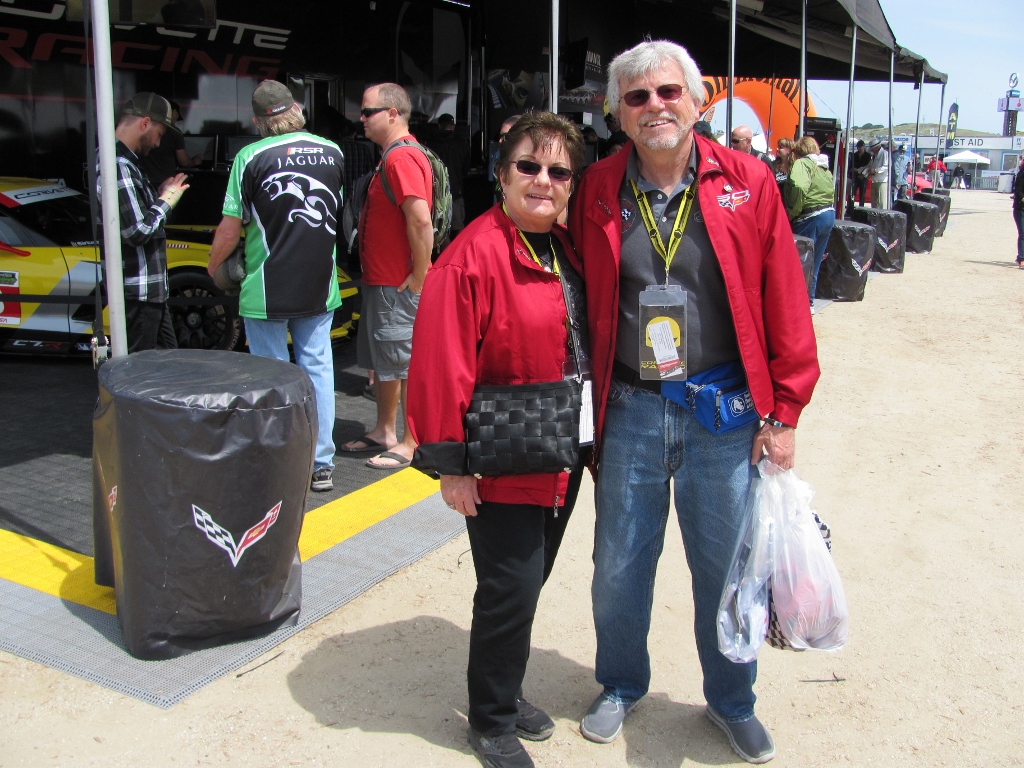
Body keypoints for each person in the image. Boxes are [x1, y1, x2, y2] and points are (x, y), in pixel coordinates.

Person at [568, 39, 819, 764]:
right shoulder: (597, 187)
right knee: (618, 563)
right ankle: (619, 683)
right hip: (632, 407)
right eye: (638, 97)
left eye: (669, 93)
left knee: (725, 566)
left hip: (726, 413)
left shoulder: (747, 180)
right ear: (617, 112)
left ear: (699, 99)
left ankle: (732, 700)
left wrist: (785, 412)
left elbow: (784, 301)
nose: (656, 108)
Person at [207, 80, 344, 492]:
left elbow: (230, 230)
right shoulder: (332, 151)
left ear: (257, 119)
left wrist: (213, 267)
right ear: (297, 108)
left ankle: (277, 457)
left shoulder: (249, 156)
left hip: (266, 284)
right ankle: (321, 463)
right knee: (317, 368)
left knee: (270, 374)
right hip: (320, 281)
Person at [340, 83, 433, 469]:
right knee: (386, 359)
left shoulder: (401, 159)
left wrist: (419, 274)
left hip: (397, 283)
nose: (361, 119)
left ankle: (411, 441)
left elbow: (420, 218)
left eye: (368, 112)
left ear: (393, 114)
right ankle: (384, 430)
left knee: (403, 360)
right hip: (384, 280)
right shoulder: (391, 157)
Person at [104, 92, 190, 352]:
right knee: (143, 378)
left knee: (165, 369)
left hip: (149, 292)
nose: (157, 143)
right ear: (144, 124)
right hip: (139, 293)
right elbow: (136, 231)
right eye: (160, 134)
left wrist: (158, 195)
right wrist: (167, 200)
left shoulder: (124, 163)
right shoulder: (118, 165)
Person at [784, 136, 836, 309]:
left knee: (799, 262)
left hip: (810, 217)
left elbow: (798, 186)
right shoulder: (824, 167)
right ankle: (809, 302)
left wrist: (792, 211)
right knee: (815, 262)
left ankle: (797, 303)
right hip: (828, 214)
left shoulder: (801, 164)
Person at [136, 100, 203, 192]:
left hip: (143, 180)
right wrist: (195, 161)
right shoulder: (175, 132)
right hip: (165, 183)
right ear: (174, 112)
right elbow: (184, 162)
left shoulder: (143, 130)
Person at [423, 113, 470, 236]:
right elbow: (466, 169)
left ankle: (445, 254)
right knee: (458, 227)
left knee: (439, 232)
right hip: (456, 192)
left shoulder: (429, 145)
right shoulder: (462, 145)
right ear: (453, 126)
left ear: (439, 125)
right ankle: (458, 254)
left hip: (436, 194)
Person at [867, 138, 889, 208]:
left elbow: (886, 166)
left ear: (876, 147)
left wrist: (875, 170)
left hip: (882, 181)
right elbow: (869, 165)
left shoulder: (885, 154)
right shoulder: (874, 156)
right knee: (874, 202)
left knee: (881, 202)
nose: (872, 151)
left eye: (873, 149)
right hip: (874, 180)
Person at [850, 139, 871, 206]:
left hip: (863, 177)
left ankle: (861, 208)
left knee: (862, 194)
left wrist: (858, 170)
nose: (859, 148)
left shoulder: (868, 155)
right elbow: (852, 164)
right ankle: (850, 209)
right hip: (855, 176)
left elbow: (867, 165)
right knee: (852, 193)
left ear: (863, 146)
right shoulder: (855, 154)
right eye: (858, 147)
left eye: (860, 146)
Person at [1014, 154, 1024, 268]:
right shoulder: (1021, 174)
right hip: (1020, 208)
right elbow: (1018, 191)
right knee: (1023, 234)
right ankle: (1021, 258)